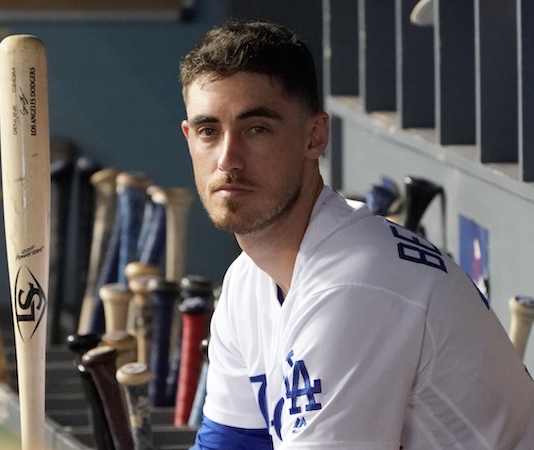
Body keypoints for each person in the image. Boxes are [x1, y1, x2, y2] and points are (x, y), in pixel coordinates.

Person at [178, 19, 534, 449]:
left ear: (315, 136)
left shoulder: (355, 286)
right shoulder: (246, 284)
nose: (228, 159)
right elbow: (229, 445)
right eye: (208, 131)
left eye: (257, 129)